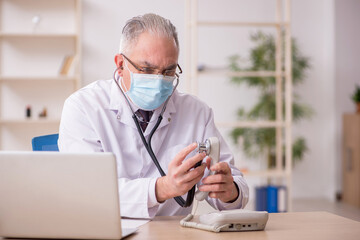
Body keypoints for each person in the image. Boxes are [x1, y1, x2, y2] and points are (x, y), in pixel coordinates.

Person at [58, 13, 248, 218]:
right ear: (120, 64)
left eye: (168, 71)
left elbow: (235, 188)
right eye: (147, 69)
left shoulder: (197, 112)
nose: (158, 81)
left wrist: (229, 192)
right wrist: (161, 188)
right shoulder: (83, 107)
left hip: (171, 234)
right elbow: (88, 192)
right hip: (103, 229)